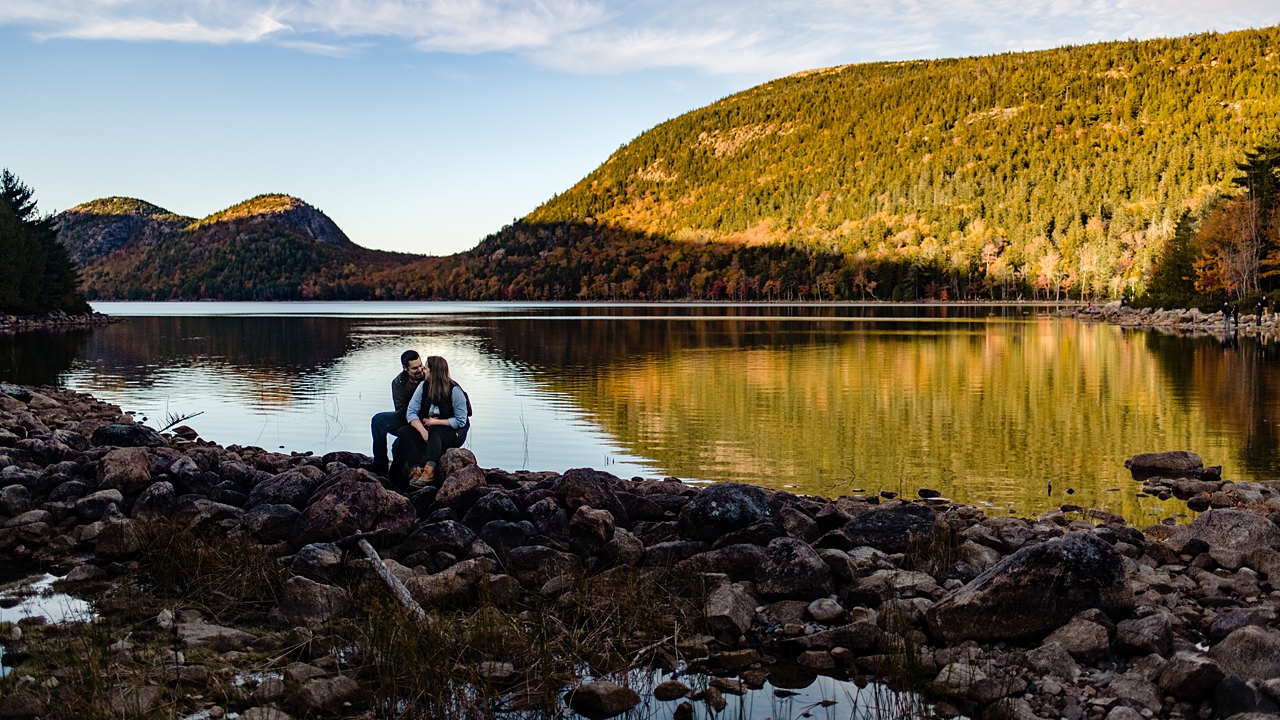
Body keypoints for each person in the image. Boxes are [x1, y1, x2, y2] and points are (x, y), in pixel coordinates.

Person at [391, 355, 470, 489]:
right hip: (430, 431)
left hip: (454, 433)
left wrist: (435, 422)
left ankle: (430, 472)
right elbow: (411, 412)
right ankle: (415, 471)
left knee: (435, 430)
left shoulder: (454, 390)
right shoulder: (423, 386)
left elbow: (461, 421)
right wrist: (422, 431)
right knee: (404, 432)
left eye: (426, 368)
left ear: (434, 372)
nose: (423, 371)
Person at [369, 350, 424, 475]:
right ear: (405, 368)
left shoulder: (429, 376)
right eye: (415, 368)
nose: (420, 369)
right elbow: (401, 410)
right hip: (407, 419)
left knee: (398, 445)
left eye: (421, 365)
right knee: (378, 420)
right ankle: (380, 466)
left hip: (427, 422)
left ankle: (399, 475)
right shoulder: (398, 382)